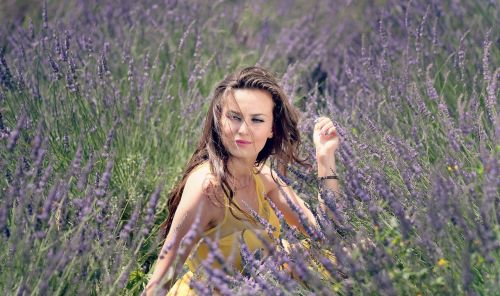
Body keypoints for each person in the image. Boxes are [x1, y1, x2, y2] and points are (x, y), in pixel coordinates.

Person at [143, 66, 340, 295]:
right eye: (234, 117)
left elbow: (325, 235)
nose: (243, 130)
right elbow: (161, 277)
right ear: (219, 120)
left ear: (271, 130)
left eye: (256, 120)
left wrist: (325, 158)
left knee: (345, 255)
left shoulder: (263, 177)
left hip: (264, 287)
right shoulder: (207, 187)